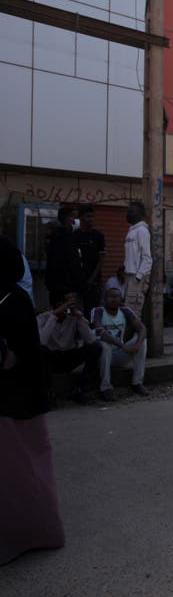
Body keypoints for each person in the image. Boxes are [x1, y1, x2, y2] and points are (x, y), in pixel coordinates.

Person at [0, 236, 65, 564]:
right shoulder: (9, 299)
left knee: (23, 471)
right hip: (16, 401)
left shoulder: (13, 302)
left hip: (18, 403)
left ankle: (33, 534)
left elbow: (14, 355)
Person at [37, 289, 102, 404]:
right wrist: (54, 316)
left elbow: (91, 340)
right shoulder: (42, 318)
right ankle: (48, 393)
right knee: (41, 350)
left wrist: (80, 318)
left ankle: (79, 390)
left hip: (69, 356)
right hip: (51, 359)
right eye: (63, 304)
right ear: (54, 305)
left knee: (96, 347)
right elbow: (41, 341)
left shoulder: (73, 317)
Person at [88, 287, 148, 401]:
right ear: (105, 299)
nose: (114, 299)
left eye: (117, 297)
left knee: (142, 340)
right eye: (111, 297)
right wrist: (123, 346)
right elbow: (101, 332)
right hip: (101, 358)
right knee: (104, 345)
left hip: (118, 355)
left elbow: (142, 328)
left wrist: (137, 344)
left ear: (121, 299)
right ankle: (105, 388)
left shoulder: (125, 311)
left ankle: (137, 383)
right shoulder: (97, 311)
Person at [71, 204, 106, 315]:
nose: (91, 219)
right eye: (88, 216)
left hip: (93, 283)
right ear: (81, 218)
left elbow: (102, 259)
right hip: (77, 283)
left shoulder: (98, 236)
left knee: (92, 314)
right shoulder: (74, 236)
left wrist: (92, 279)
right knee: (76, 314)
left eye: (92, 216)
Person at [123, 200, 152, 317]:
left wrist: (138, 277)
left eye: (132, 211)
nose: (128, 214)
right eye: (128, 211)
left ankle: (138, 336)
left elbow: (147, 258)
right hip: (129, 276)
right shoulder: (132, 231)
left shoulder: (142, 231)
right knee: (128, 311)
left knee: (133, 313)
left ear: (139, 214)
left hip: (136, 277)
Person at [44, 205, 77, 297]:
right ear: (66, 218)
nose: (75, 221)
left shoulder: (60, 235)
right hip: (64, 286)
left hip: (56, 284)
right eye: (73, 217)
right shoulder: (64, 236)